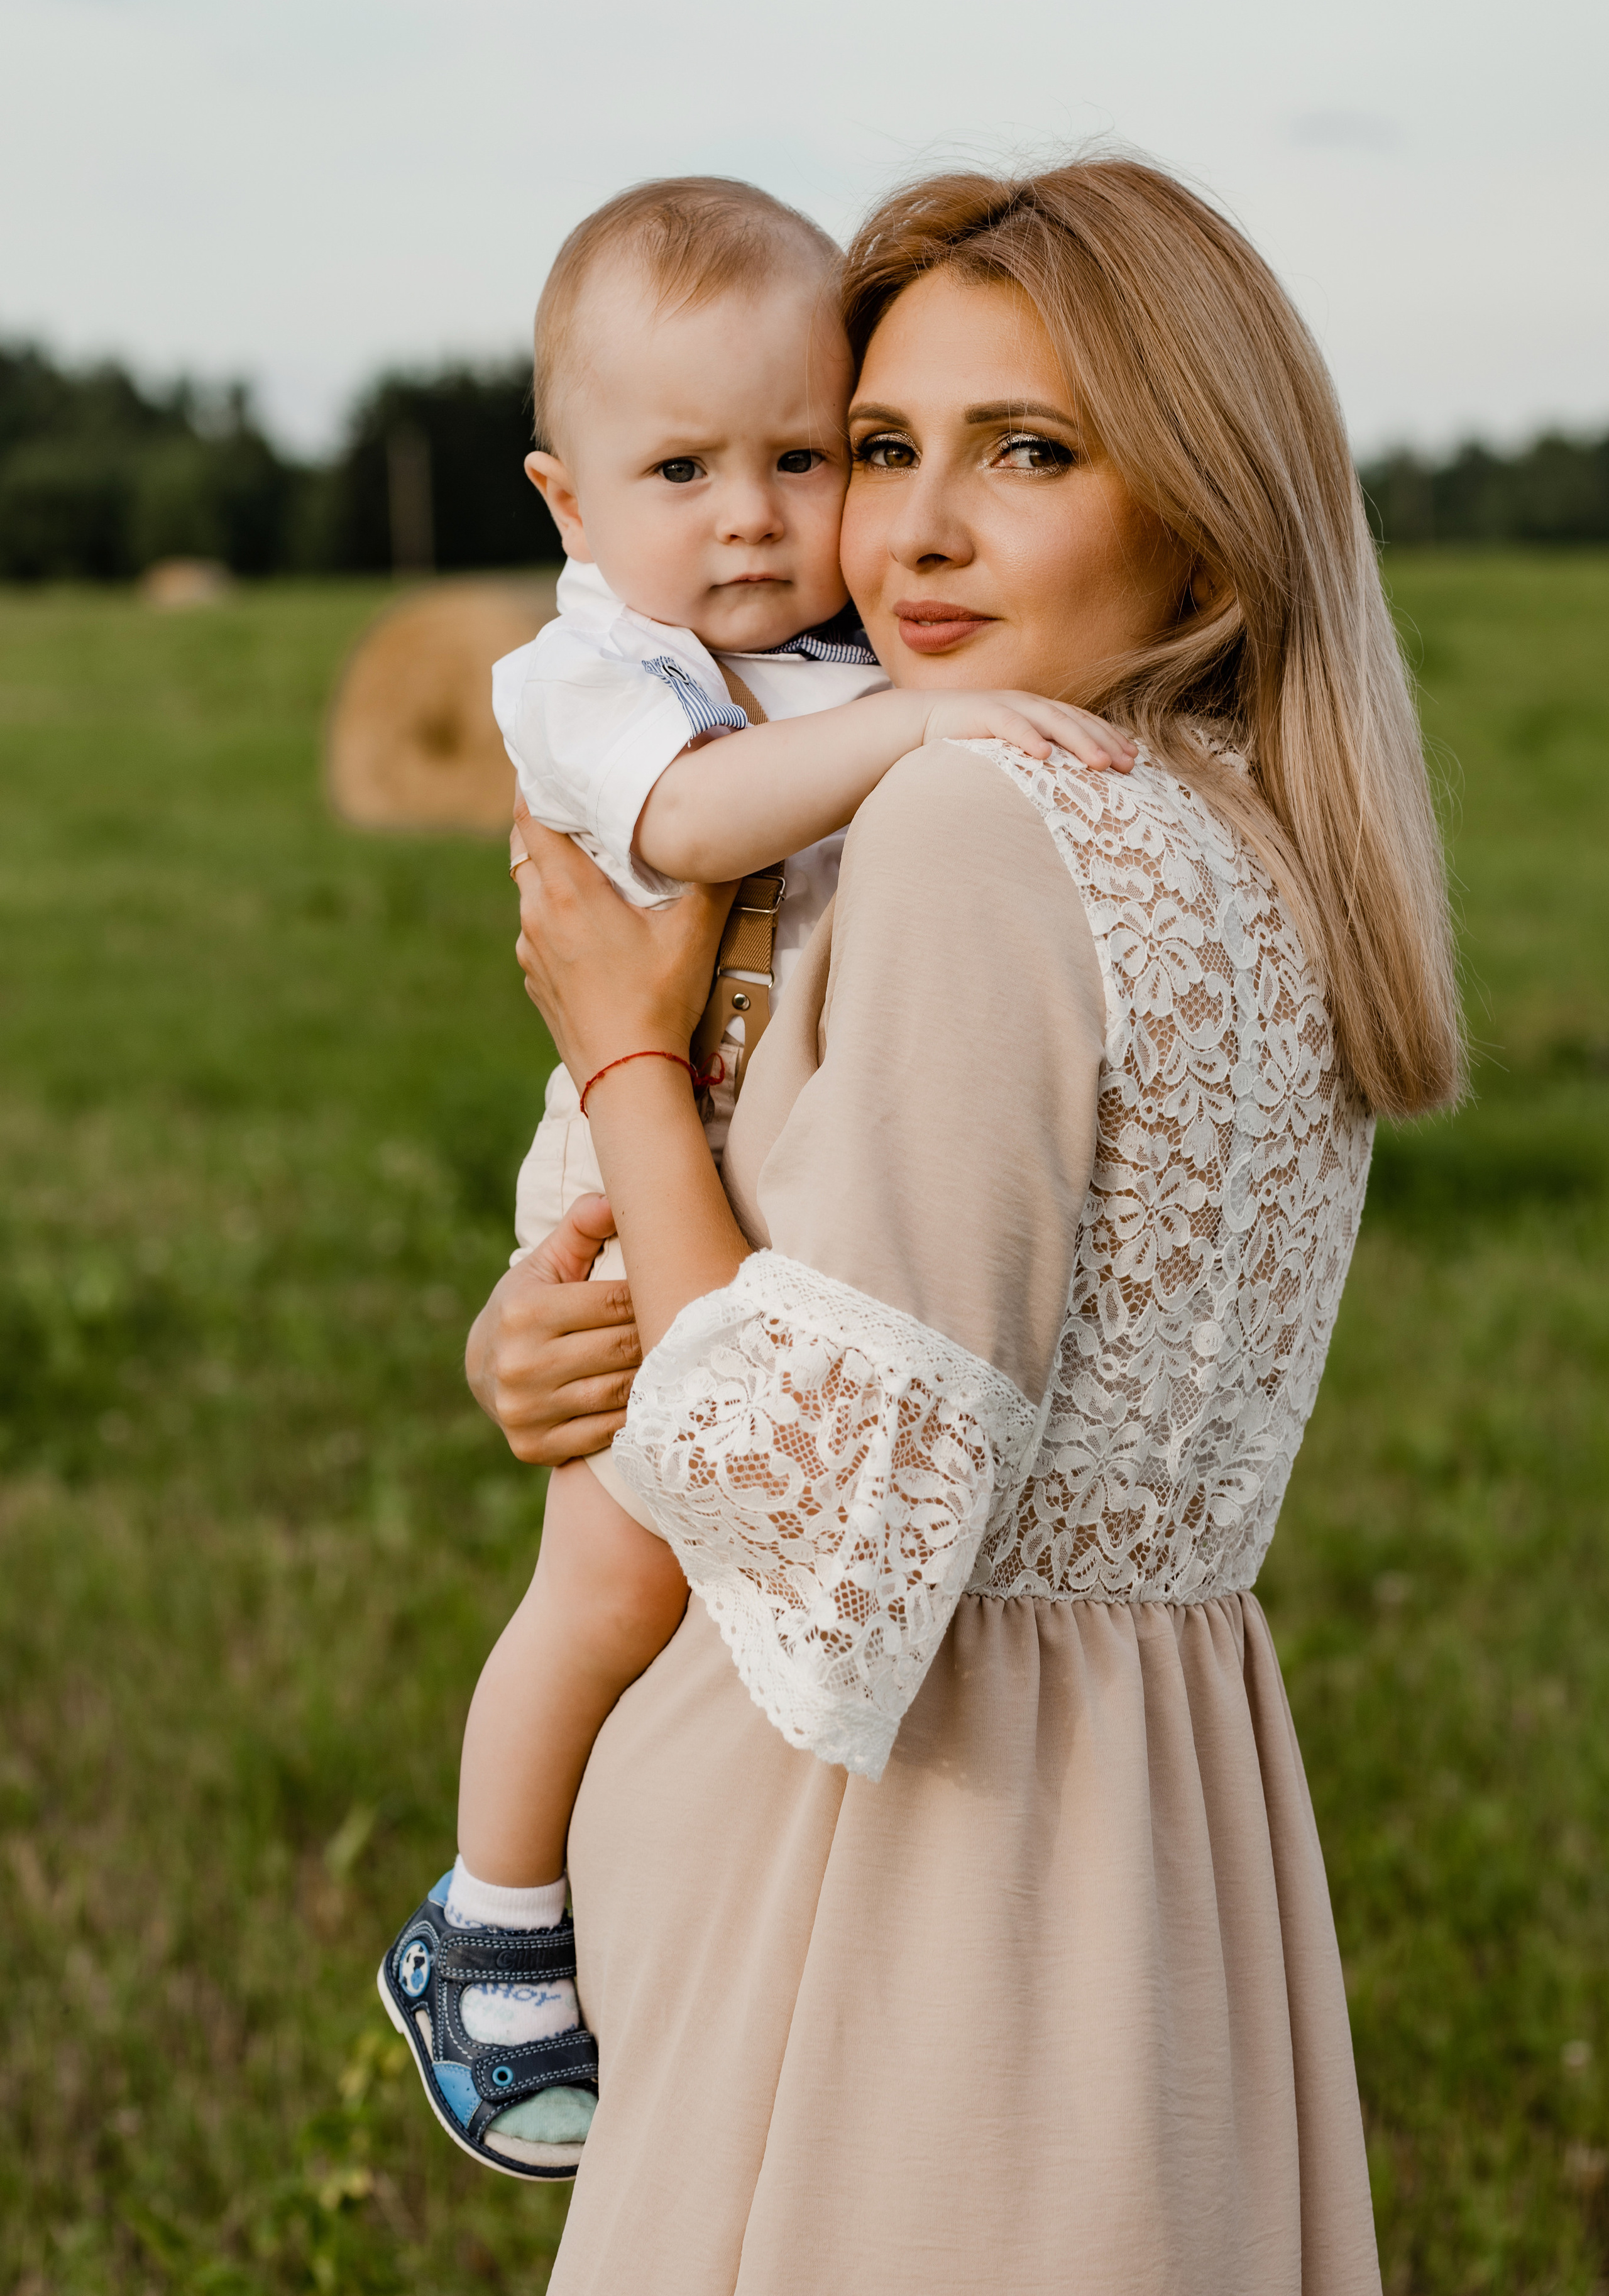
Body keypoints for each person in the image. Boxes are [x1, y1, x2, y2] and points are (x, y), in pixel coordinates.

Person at [474, 155, 1464, 2293]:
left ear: (1202, 499)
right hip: (1171, 1824)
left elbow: (841, 1545)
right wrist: (566, 1322)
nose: (907, 531)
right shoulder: (1245, 845)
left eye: (1026, 453)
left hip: (892, 1858)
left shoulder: (969, 828)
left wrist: (628, 1058)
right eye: (884, 448)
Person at [376, 176, 1135, 2181]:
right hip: (632, 1170)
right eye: (683, 468)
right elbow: (698, 820)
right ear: (565, 502)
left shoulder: (823, 646)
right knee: (611, 1572)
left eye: (805, 456)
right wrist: (948, 716)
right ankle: (486, 1916)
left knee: (676, 1571)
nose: (752, 515)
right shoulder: (592, 673)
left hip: (735, 1149)